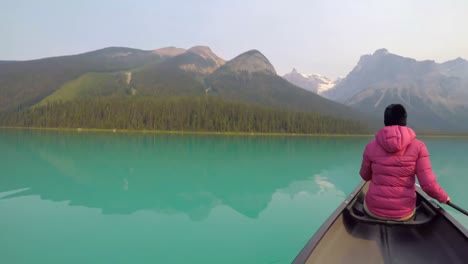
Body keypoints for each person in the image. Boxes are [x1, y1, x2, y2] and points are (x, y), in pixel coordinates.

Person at [359, 104, 450, 221]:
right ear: (404, 121)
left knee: (368, 202)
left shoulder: (370, 146)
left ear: (385, 121)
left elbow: (365, 176)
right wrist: (444, 197)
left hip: (374, 211)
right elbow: (428, 185)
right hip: (404, 213)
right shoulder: (419, 147)